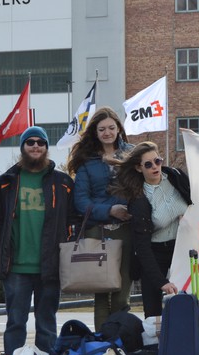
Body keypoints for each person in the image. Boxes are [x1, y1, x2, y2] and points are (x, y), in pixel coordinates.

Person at [0, 126, 76, 355]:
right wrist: (0, 254)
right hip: (16, 267)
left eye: (41, 142)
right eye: (30, 142)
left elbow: (74, 218)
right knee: (16, 322)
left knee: (47, 324)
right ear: (23, 147)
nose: (36, 146)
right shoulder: (6, 182)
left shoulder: (63, 182)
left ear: (47, 148)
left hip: (50, 265)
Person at [66, 107, 134, 328]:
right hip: (98, 230)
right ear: (95, 132)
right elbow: (81, 202)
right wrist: (110, 210)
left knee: (123, 292)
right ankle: (101, 344)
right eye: (102, 129)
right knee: (102, 292)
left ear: (118, 129)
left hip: (127, 229)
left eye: (111, 128)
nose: (107, 132)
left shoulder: (133, 154)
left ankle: (120, 340)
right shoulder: (86, 162)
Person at [110, 141, 191, 317]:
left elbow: (193, 202)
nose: (155, 167)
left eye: (158, 161)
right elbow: (142, 246)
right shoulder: (139, 199)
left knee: (187, 302)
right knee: (152, 311)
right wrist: (161, 282)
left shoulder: (175, 177)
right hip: (154, 251)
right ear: (139, 168)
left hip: (180, 247)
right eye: (148, 164)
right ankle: (153, 345)